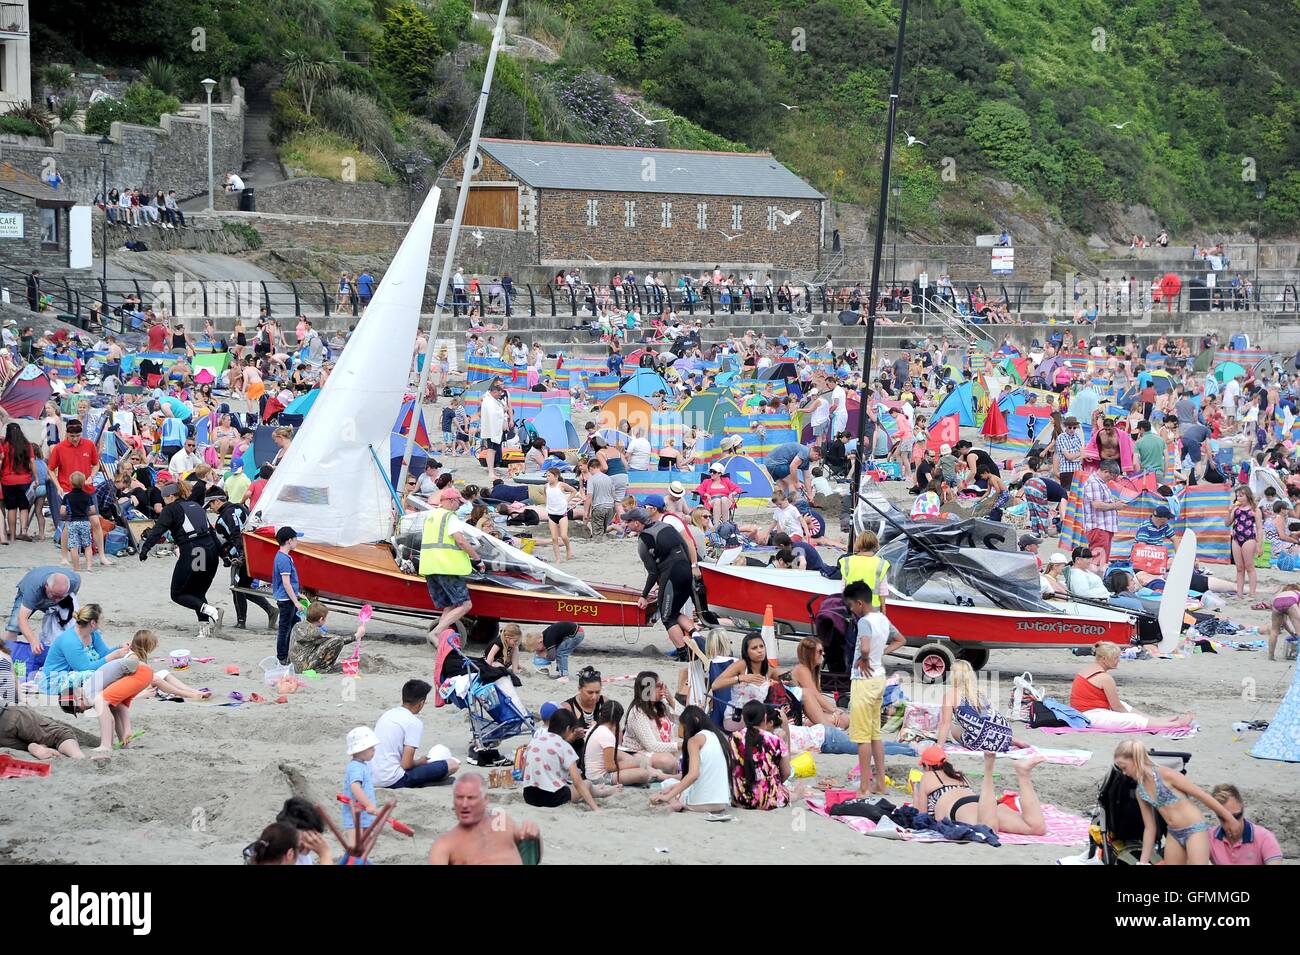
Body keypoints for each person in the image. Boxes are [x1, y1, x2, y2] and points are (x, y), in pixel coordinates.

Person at [1113, 740, 1239, 865]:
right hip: (1173, 833)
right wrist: (1143, 861)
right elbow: (1150, 828)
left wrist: (1229, 819)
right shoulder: (1140, 791)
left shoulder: (1166, 774)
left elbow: (1202, 796)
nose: (1124, 773)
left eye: (1124, 767)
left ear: (1136, 759)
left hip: (1195, 829)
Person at [139, 482, 224, 640]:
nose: (164, 501)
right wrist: (223, 556)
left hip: (195, 551)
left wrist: (145, 548)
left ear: (171, 497)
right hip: (211, 550)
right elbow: (211, 532)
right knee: (198, 592)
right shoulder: (197, 506)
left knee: (177, 593)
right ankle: (204, 630)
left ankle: (212, 611)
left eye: (164, 498)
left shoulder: (171, 509)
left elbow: (158, 529)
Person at [844, 581, 904, 795]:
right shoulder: (883, 618)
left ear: (859, 603)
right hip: (879, 677)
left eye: (851, 606)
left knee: (862, 737)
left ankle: (864, 786)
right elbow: (900, 639)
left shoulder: (864, 622)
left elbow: (866, 646)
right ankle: (881, 783)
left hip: (864, 680)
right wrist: (882, 653)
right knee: (875, 734)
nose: (851, 610)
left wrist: (865, 656)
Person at [913, 747, 1048, 835]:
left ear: (927, 765)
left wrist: (915, 790)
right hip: (984, 802)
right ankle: (1023, 774)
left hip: (960, 806)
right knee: (1035, 828)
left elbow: (921, 815)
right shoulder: (958, 776)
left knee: (988, 829)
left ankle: (988, 769)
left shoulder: (928, 776)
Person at [1070, 641, 1194, 730]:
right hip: (1089, 716)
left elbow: (1117, 705)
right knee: (1132, 719)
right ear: (1104, 659)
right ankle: (1173, 725)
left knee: (1124, 705)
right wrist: (1130, 716)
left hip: (1084, 711)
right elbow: (1116, 707)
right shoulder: (1105, 678)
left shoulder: (1086, 669)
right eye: (1115, 658)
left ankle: (1157, 720)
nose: (1118, 660)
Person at [0, 634, 87, 759]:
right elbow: (19, 694)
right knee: (62, 733)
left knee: (18, 737)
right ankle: (81, 759)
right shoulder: (5, 656)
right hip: (9, 713)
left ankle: (32, 746)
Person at [625, 506, 695, 659]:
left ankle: (683, 654)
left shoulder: (644, 539)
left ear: (637, 523)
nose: (626, 524)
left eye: (628, 521)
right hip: (686, 570)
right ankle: (697, 637)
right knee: (674, 611)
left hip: (672, 574)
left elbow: (652, 572)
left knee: (667, 617)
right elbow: (685, 546)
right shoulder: (666, 526)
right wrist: (691, 567)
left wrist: (644, 595)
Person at [428, 774, 541, 864]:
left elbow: (530, 850)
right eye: (459, 798)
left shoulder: (503, 822)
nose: (464, 804)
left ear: (485, 799)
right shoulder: (445, 845)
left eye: (471, 798)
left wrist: (533, 832)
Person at [208, 487, 278, 631]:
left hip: (245, 555)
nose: (210, 508)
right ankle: (270, 610)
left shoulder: (225, 516)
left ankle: (242, 622)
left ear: (216, 502)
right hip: (255, 551)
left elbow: (237, 535)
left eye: (210, 504)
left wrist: (240, 556)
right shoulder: (240, 507)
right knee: (244, 588)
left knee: (237, 587)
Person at [420, 486, 482, 643]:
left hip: (430, 566)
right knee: (465, 604)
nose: (459, 506)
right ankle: (436, 632)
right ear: (451, 501)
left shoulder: (431, 516)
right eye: (458, 503)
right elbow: (460, 540)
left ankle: (439, 637)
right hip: (446, 567)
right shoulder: (450, 517)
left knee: (448, 605)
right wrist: (476, 558)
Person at [372, 679, 460, 789]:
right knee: (453, 764)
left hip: (372, 777)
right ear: (421, 703)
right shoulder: (413, 722)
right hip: (392, 779)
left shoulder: (387, 715)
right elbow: (406, 765)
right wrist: (419, 762)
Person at [650, 705, 734, 814]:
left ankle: (674, 803)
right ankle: (675, 799)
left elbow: (693, 775)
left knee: (668, 784)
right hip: (722, 803)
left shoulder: (695, 740)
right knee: (673, 786)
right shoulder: (719, 737)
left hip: (700, 803)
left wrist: (668, 796)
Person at [48, 419, 109, 560]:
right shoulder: (59, 447)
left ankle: (102, 556)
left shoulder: (89, 445)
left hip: (87, 490)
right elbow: (51, 469)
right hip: (67, 490)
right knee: (66, 524)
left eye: (77, 436)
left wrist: (92, 476)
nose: (75, 439)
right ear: (67, 434)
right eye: (72, 436)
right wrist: (58, 487)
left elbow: (96, 464)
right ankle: (64, 557)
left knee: (95, 522)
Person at [4, 567, 80, 673]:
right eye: (55, 596)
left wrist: (59, 599)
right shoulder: (33, 589)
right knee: (13, 627)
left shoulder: (75, 581)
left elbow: (66, 599)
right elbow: (22, 619)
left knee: (64, 624)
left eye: (60, 596)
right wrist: (33, 641)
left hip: (55, 592)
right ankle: (4, 660)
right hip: (30, 591)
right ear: (46, 586)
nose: (56, 600)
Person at [522, 709, 600, 810]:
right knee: (587, 784)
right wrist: (595, 808)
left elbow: (523, 772)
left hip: (529, 796)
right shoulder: (564, 746)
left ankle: (598, 790)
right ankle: (602, 792)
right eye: (573, 732)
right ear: (568, 729)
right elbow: (578, 782)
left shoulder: (534, 741)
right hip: (553, 798)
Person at [585, 699, 675, 786]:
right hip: (600, 777)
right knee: (643, 773)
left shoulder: (594, 727)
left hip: (592, 772)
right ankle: (662, 776)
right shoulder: (607, 735)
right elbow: (610, 767)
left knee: (638, 761)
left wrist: (633, 762)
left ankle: (663, 776)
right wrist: (632, 764)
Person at [935, 659, 1012, 752]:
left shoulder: (950, 695)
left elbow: (945, 724)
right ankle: (1014, 741)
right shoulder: (979, 693)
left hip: (984, 743)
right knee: (982, 724)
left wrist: (938, 746)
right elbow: (986, 717)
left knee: (954, 730)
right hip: (1006, 734)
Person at [622, 671, 685, 772]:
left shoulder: (660, 705)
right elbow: (651, 746)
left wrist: (671, 699)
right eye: (658, 686)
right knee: (668, 761)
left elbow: (684, 720)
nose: (662, 689)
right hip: (641, 752)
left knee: (695, 751)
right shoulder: (637, 713)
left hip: (662, 748)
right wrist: (680, 745)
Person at [1207, 784, 1283, 865]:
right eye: (1225, 819)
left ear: (1243, 807)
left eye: (1237, 816)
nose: (1233, 824)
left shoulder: (1264, 837)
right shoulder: (1209, 838)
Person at [710, 633, 772, 731]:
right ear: (746, 652)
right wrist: (740, 678)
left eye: (761, 646)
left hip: (758, 716)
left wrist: (787, 681)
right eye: (754, 648)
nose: (760, 650)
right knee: (762, 724)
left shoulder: (768, 669)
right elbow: (715, 685)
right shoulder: (742, 665)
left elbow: (786, 677)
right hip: (737, 716)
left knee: (781, 718)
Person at [1080, 459, 1124, 565]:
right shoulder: (1094, 483)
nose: (1111, 480)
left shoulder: (1100, 483)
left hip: (1103, 527)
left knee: (1102, 560)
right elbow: (1097, 504)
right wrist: (1115, 506)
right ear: (1106, 472)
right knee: (1098, 560)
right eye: (1111, 477)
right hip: (1099, 527)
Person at [341, 726, 381, 834]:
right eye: (371, 748)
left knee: (363, 847)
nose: (374, 750)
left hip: (363, 814)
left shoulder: (362, 765)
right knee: (355, 848)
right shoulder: (356, 767)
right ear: (360, 749)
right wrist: (368, 804)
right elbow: (355, 787)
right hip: (355, 815)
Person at [59, 471, 99, 573]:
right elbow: (93, 510)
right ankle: (89, 567)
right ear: (83, 483)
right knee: (87, 545)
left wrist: (68, 513)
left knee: (73, 546)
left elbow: (62, 512)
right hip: (85, 522)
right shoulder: (87, 496)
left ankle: (76, 568)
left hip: (72, 522)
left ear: (71, 483)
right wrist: (86, 511)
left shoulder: (67, 497)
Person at [1226, 485, 1262, 599]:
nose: (1238, 498)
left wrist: (1259, 545)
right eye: (1237, 496)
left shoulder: (1254, 510)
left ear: (1247, 496)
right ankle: (1239, 594)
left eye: (1241, 496)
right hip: (1236, 538)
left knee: (1249, 566)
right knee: (1239, 568)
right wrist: (1229, 511)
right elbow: (1227, 523)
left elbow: (1259, 528)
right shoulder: (1236, 509)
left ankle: (1252, 593)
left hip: (1249, 538)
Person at [839, 530, 889, 609]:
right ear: (875, 544)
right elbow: (883, 591)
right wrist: (883, 610)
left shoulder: (847, 562)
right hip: (872, 610)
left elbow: (843, 589)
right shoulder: (881, 564)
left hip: (852, 608)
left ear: (858, 543)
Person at [543, 468, 577, 563]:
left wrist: (567, 500)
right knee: (554, 538)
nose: (547, 478)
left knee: (564, 536)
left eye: (549, 476)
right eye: (547, 476)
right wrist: (546, 504)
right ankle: (558, 559)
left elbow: (574, 491)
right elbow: (545, 495)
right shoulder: (546, 486)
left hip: (562, 515)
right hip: (551, 515)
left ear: (556, 476)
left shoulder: (561, 485)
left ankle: (568, 549)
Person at [479, 380, 508, 483]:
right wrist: (503, 410)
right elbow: (493, 413)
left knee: (494, 450)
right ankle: (490, 471)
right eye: (498, 394)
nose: (499, 396)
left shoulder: (494, 399)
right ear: (494, 392)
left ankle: (492, 470)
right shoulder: (488, 400)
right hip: (491, 429)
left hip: (496, 428)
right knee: (491, 450)